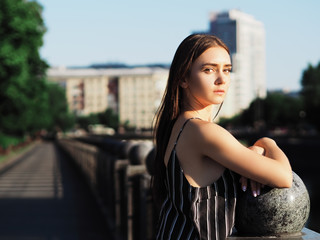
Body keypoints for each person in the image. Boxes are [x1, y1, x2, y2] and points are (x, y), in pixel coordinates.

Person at [152, 34, 292, 240]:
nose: (222, 78)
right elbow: (283, 177)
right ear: (183, 78)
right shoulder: (202, 131)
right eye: (209, 69)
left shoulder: (181, 125)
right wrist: (266, 142)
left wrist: (251, 153)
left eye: (226, 69)